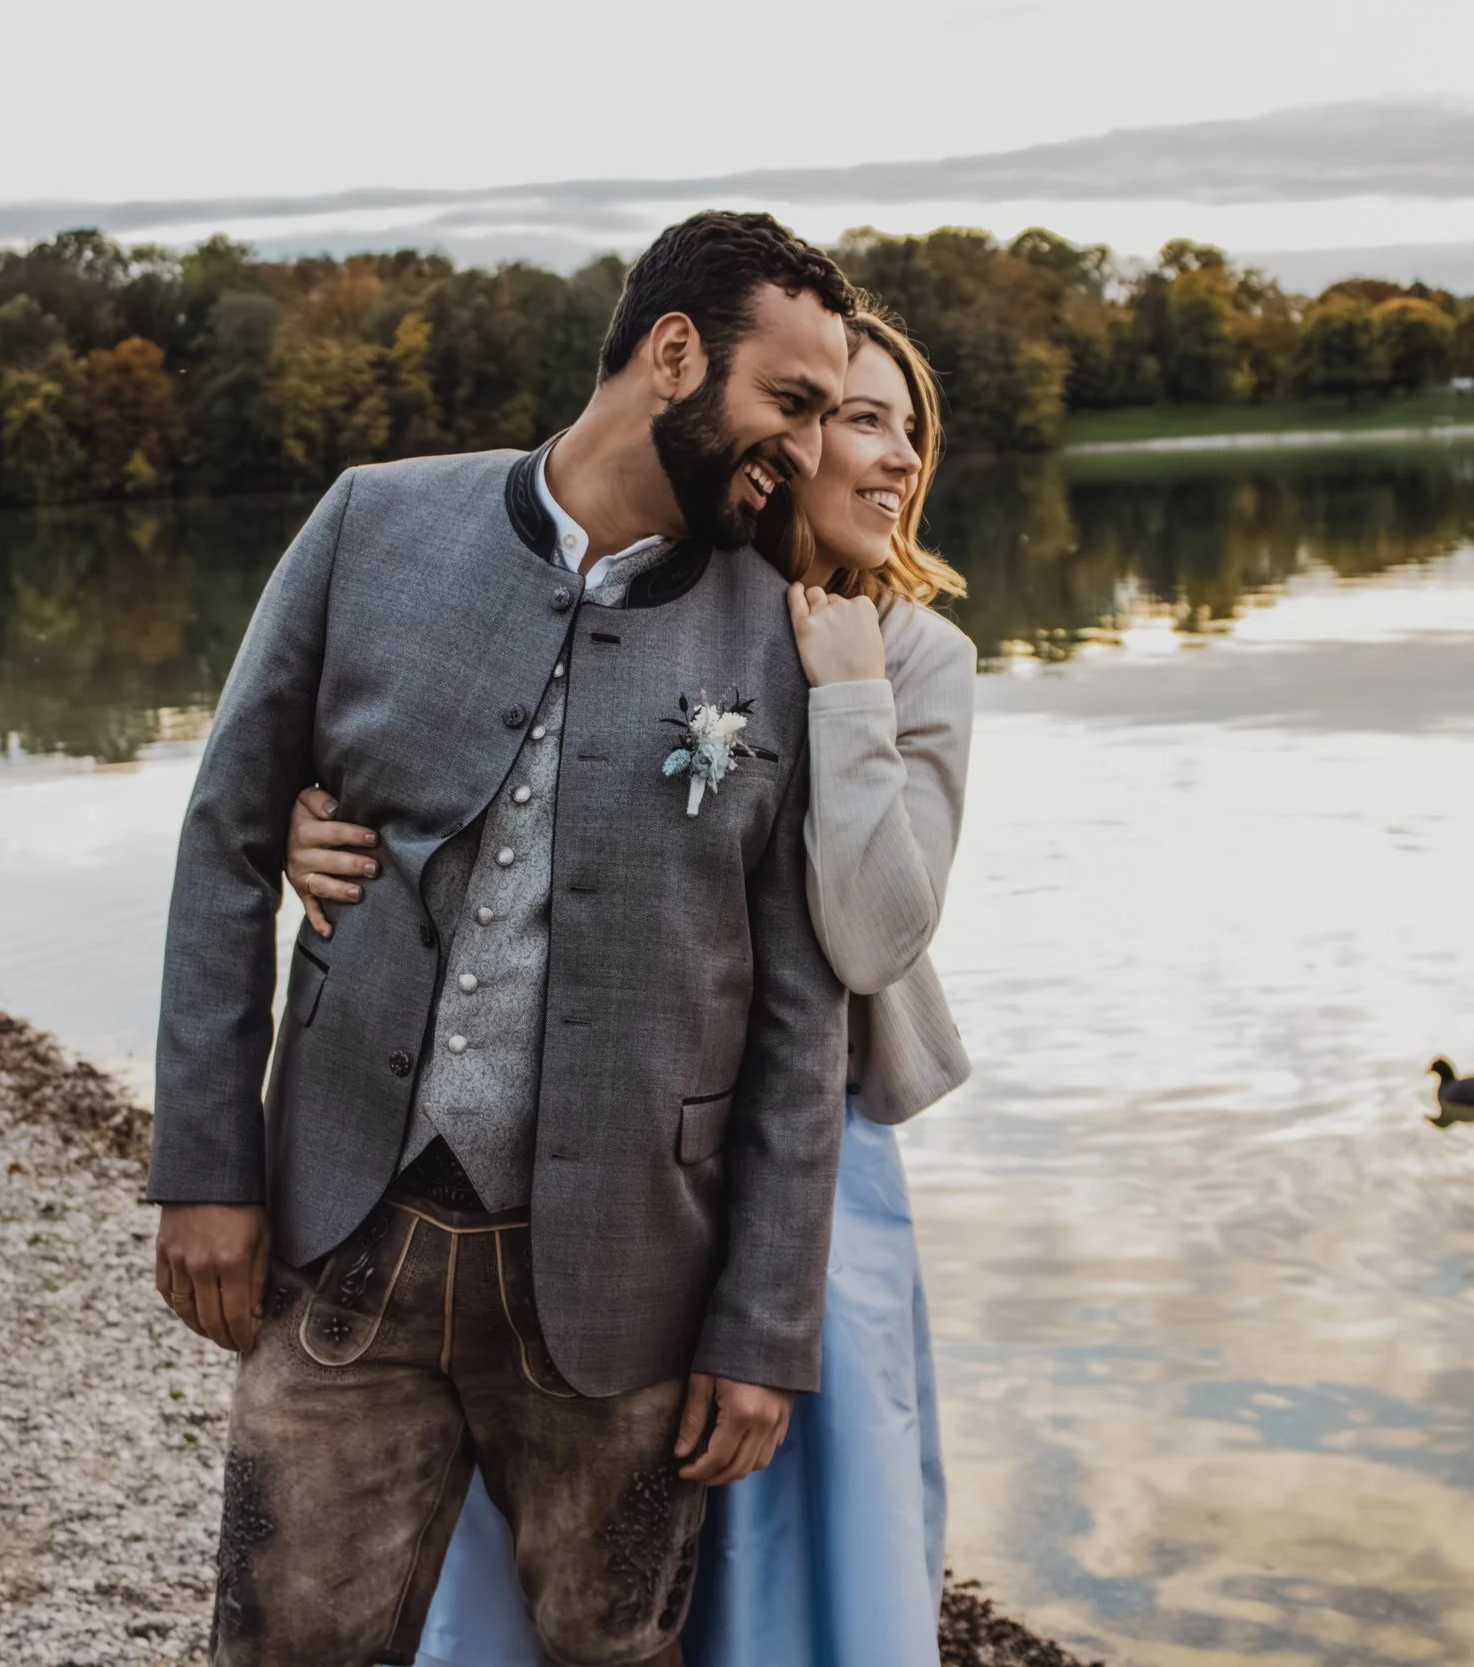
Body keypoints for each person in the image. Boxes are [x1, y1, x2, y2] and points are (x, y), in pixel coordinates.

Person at [145, 211, 859, 1667]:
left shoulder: (786, 633)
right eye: (788, 403)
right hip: (346, 1235)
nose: (804, 447)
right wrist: (208, 1163)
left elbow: (801, 1009)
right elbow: (227, 841)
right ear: (674, 356)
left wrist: (762, 1325)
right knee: (279, 1648)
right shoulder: (370, 523)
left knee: (619, 1655)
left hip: (631, 1284)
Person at [288, 310, 977, 1667]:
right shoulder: (644, 602)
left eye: (910, 427)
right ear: (780, 437)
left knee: (800, 1537)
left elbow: (877, 936)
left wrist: (845, 699)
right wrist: (325, 827)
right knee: (556, 1550)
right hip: (591, 1163)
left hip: (810, 1162)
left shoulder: (916, 660)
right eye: (857, 416)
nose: (894, 455)